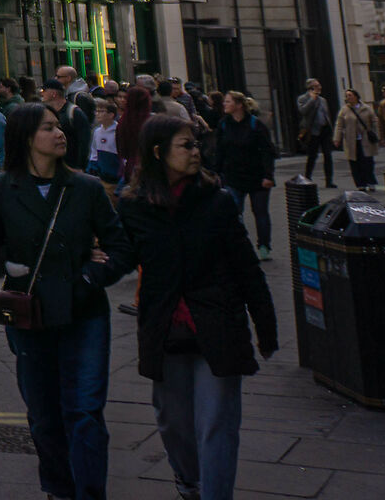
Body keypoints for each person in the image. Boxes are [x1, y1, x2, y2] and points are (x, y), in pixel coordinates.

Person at [119, 116, 277, 500]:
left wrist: (265, 326)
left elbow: (246, 268)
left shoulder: (217, 201)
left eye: (196, 145)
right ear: (158, 153)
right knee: (173, 423)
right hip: (165, 329)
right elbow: (120, 256)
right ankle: (189, 482)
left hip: (217, 324)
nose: (196, 152)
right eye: (186, 146)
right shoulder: (134, 207)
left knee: (216, 422)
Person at [0, 98, 132, 500]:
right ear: (26, 138)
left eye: (58, 126)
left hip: (84, 314)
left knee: (84, 414)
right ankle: (58, 488)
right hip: (30, 318)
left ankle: (88, 492)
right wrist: (5, 266)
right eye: (48, 127)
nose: (59, 132)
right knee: (44, 417)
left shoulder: (83, 187)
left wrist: (91, 273)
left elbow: (121, 247)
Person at [215, 93, 277, 259]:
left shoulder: (255, 124)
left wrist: (268, 176)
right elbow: (219, 151)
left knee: (260, 212)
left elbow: (267, 152)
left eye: (228, 101)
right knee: (235, 213)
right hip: (233, 177)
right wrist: (216, 173)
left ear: (239, 105)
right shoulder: (223, 125)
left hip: (257, 176)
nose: (224, 104)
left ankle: (264, 246)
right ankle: (239, 245)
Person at [334, 88, 382, 190]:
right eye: (347, 96)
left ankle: (370, 182)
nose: (348, 97)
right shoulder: (344, 110)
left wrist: (377, 135)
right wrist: (337, 138)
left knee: (368, 162)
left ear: (356, 96)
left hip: (365, 140)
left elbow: (374, 122)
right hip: (351, 141)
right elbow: (339, 125)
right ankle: (360, 184)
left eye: (350, 95)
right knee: (355, 163)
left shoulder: (366, 108)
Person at [42, 78, 93, 171]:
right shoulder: (48, 112)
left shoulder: (74, 112)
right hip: (56, 167)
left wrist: (80, 167)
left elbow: (84, 141)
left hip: (72, 167)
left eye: (44, 90)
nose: (42, 93)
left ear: (53, 94)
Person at [296, 79, 335, 188]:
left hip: (324, 130)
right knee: (312, 155)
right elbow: (303, 111)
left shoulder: (323, 100)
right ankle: (308, 177)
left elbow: (326, 114)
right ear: (311, 88)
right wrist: (312, 100)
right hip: (312, 131)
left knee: (328, 155)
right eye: (317, 86)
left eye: (319, 85)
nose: (320, 88)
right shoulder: (303, 99)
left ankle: (329, 180)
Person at [89, 98, 121, 188]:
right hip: (102, 176)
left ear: (111, 115)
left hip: (116, 177)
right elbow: (94, 153)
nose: (97, 114)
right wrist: (92, 168)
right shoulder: (97, 132)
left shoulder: (118, 132)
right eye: (97, 111)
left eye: (101, 111)